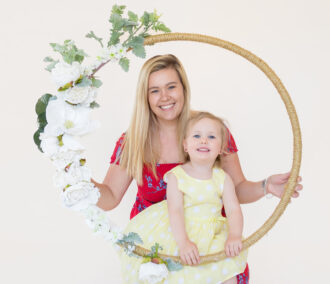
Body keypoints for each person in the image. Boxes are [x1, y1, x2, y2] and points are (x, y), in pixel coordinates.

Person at [93, 54, 303, 284]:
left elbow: (236, 188)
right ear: (145, 97)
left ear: (183, 88)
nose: (165, 97)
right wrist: (76, 181)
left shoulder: (208, 132)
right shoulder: (133, 140)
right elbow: (110, 197)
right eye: (154, 90)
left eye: (171, 86)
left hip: (208, 247)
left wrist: (266, 186)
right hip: (157, 253)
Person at [120, 111, 248, 283]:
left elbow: (233, 209)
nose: (204, 140)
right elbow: (175, 211)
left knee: (228, 272)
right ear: (185, 145)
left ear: (221, 148)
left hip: (212, 235)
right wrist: (183, 243)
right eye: (197, 136)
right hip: (182, 232)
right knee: (180, 274)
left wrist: (234, 235)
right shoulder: (177, 176)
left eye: (211, 136)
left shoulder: (222, 178)